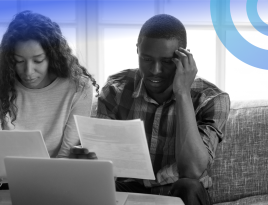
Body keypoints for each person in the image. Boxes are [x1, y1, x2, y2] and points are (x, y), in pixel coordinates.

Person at [72, 14, 230, 205]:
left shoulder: (212, 99)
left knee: (189, 186)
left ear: (183, 57)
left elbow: (192, 171)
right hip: (128, 188)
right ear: (137, 50)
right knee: (90, 189)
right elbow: (105, 162)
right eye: (146, 59)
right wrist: (90, 159)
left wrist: (182, 93)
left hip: (179, 192)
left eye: (166, 61)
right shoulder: (116, 89)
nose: (155, 70)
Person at [0, 10, 99, 190]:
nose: (28, 71)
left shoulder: (79, 87)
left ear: (53, 56)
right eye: (19, 61)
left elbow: (66, 156)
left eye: (38, 60)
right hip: (6, 183)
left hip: (58, 180)